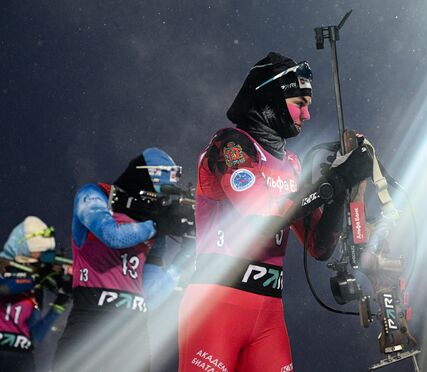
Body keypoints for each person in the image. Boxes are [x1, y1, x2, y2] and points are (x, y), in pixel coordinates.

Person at [178, 52, 372, 371]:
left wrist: (341, 186)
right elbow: (261, 220)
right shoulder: (230, 146)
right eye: (299, 102)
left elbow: (319, 247)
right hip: (216, 306)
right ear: (270, 98)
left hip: (269, 313)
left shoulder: (291, 164)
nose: (307, 114)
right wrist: (332, 182)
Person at [53, 147, 189, 372]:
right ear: (145, 177)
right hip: (89, 322)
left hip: (132, 330)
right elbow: (111, 235)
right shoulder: (95, 194)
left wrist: (187, 254)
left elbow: (151, 291)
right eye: (159, 192)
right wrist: (156, 226)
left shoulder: (152, 222)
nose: (161, 201)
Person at [0, 216, 70, 372]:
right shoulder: (5, 268)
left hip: (21, 360)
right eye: (35, 252)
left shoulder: (34, 284)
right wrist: (34, 279)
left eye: (42, 253)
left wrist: (58, 306)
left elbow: (33, 339)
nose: (38, 258)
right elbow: (3, 290)